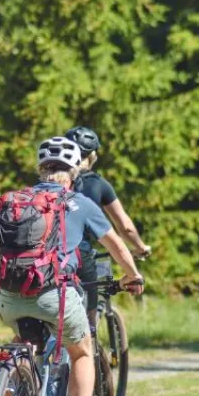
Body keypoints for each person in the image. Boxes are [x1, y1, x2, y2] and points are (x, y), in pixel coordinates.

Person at [0, 137, 145, 396]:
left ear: (39, 169)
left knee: (22, 342)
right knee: (82, 352)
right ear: (74, 172)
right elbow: (117, 246)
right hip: (55, 296)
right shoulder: (78, 202)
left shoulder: (16, 200)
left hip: (9, 297)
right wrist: (132, 276)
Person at [64, 126, 151, 332]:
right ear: (93, 155)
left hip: (49, 257)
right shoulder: (98, 185)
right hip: (82, 255)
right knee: (88, 324)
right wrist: (140, 247)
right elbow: (125, 227)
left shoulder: (54, 181)